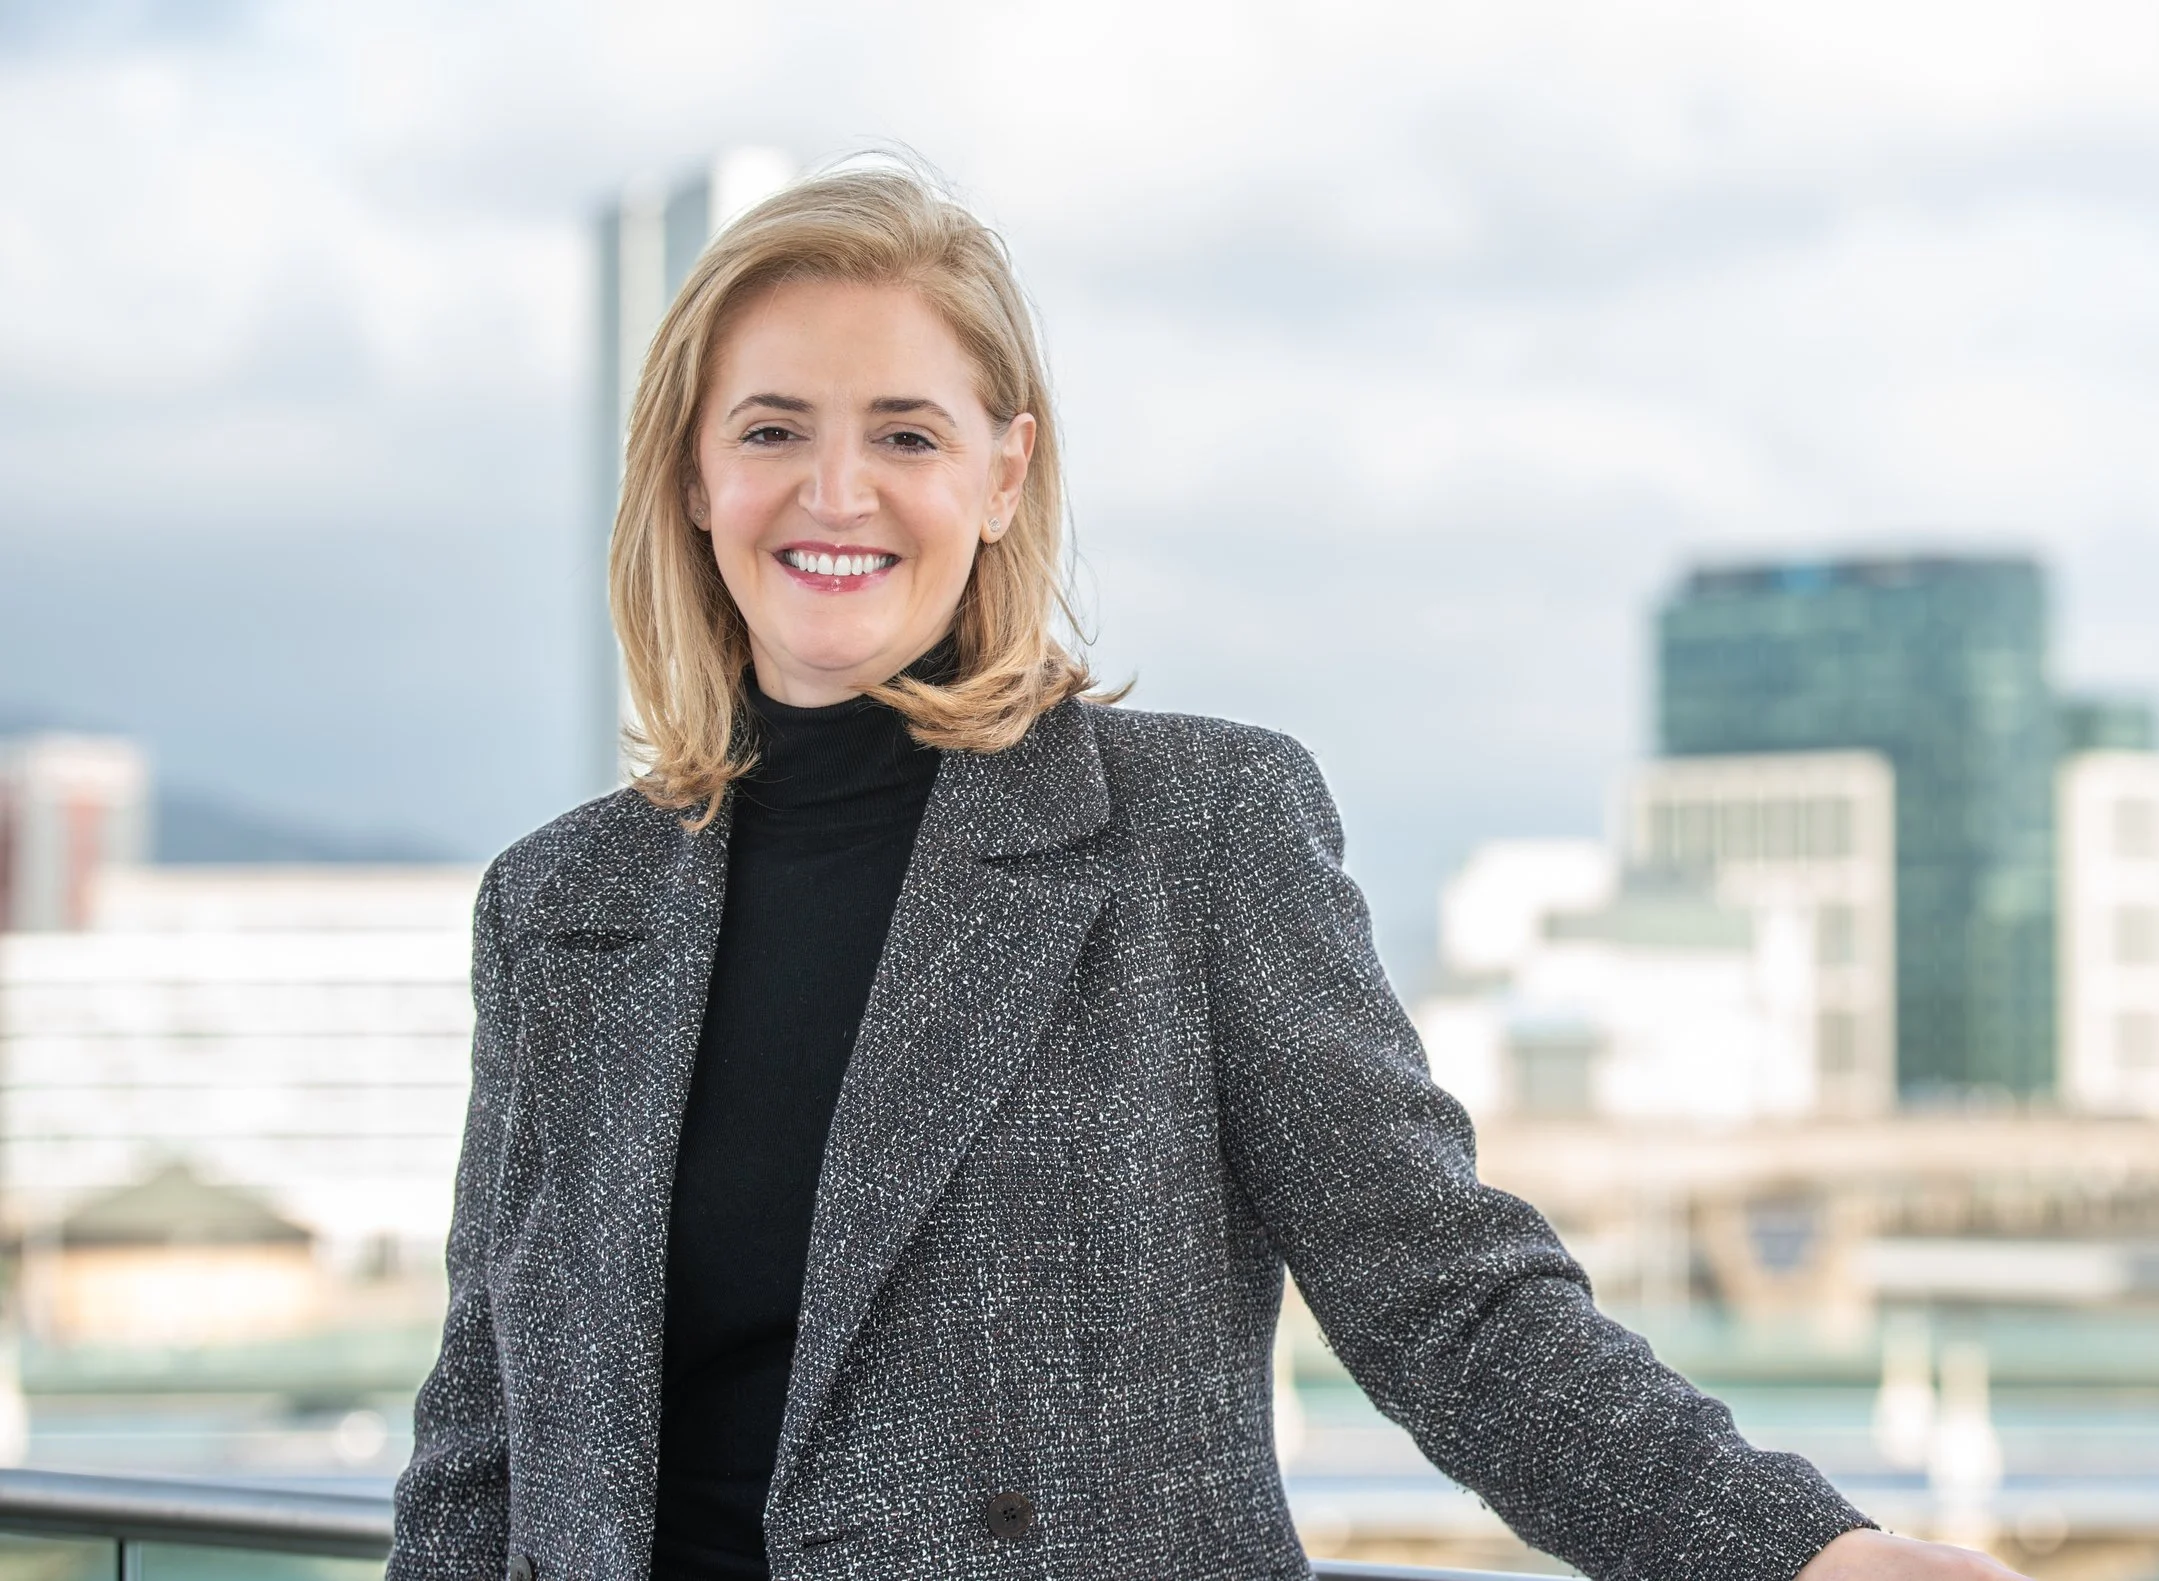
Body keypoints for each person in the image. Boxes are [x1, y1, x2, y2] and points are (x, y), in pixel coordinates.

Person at [387, 162, 2024, 1581]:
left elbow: (1444, 1299)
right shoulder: (561, 907)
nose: (837, 491)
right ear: (693, 475)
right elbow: (483, 1442)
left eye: (905, 432)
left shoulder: (1194, 831)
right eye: (772, 429)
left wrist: (1795, 1551)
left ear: (1002, 475)